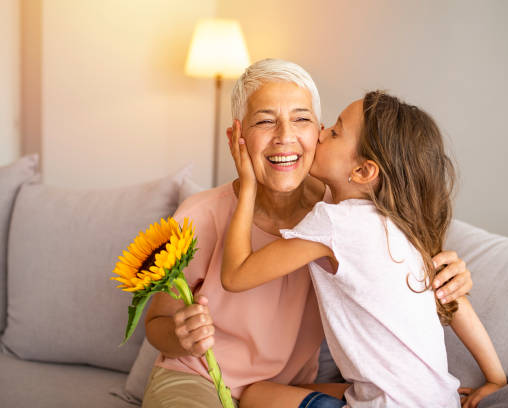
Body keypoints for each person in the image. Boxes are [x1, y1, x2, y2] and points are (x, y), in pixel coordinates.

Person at [142, 59, 473, 408]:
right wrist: (181, 335)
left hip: (285, 391)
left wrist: (450, 275)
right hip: (198, 379)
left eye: (301, 119)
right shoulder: (199, 215)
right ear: (236, 137)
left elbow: (402, 273)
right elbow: (156, 324)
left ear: (319, 131)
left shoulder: (344, 215)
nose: (285, 136)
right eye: (266, 121)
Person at [222, 90, 506, 407]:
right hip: (439, 399)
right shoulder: (400, 225)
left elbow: (235, 276)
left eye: (335, 132)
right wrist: (496, 378)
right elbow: (455, 304)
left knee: (254, 394)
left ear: (362, 171)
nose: (321, 131)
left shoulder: (334, 223)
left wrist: (247, 185)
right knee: (305, 387)